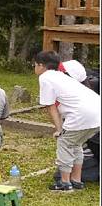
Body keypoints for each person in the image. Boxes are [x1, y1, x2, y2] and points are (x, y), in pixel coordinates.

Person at [33, 51, 100, 191]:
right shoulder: (61, 76)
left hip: (82, 115)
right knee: (76, 144)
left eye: (34, 65)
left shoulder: (45, 77)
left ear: (41, 65)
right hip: (97, 112)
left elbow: (51, 107)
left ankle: (64, 183)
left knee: (64, 142)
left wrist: (59, 130)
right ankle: (76, 180)